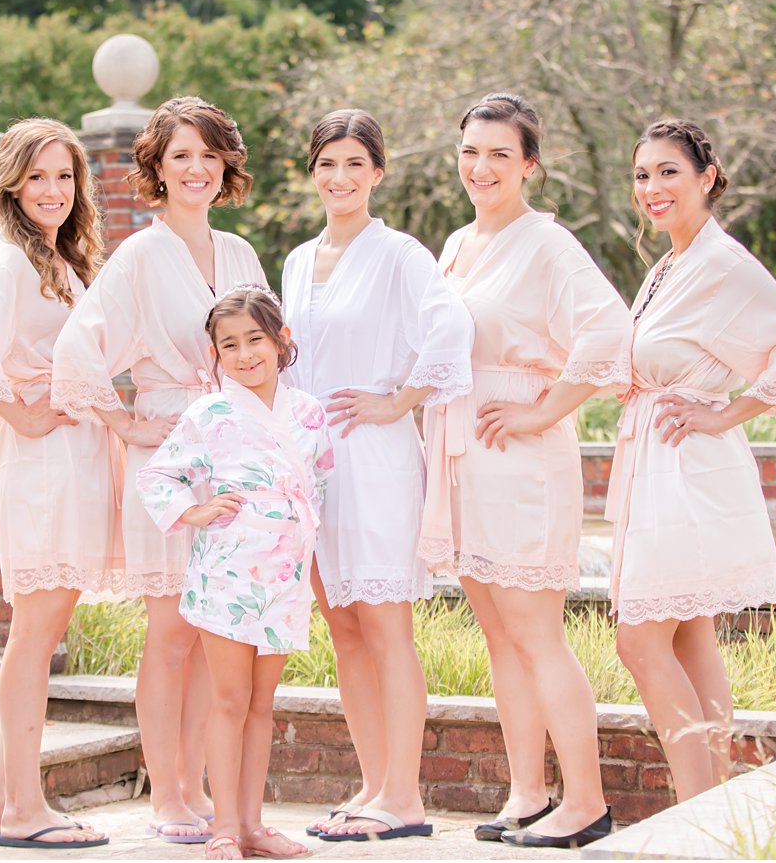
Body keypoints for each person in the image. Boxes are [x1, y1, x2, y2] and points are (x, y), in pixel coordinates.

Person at [51, 96, 269, 843]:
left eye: (210, 154)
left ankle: (202, 781)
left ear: (226, 165)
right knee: (170, 628)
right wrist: (121, 419)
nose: (197, 168)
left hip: (233, 455)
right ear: (157, 167)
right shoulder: (140, 255)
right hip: (171, 453)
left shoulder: (240, 254)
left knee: (215, 628)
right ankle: (167, 791)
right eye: (182, 155)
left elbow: (266, 350)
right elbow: (80, 347)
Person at [419, 93, 630, 849]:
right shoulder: (454, 242)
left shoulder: (548, 244)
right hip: (464, 452)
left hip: (519, 451)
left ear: (529, 165)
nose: (481, 167)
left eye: (500, 154)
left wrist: (544, 411)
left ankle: (586, 800)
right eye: (470, 151)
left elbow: (609, 330)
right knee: (499, 635)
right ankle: (528, 790)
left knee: (538, 634)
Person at [608, 118, 776, 802]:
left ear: (706, 177)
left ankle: (692, 804)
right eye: (643, 173)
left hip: (687, 468)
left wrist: (726, 409)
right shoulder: (670, 262)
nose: (653, 186)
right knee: (690, 638)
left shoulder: (722, 262)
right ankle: (713, 804)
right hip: (658, 462)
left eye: (669, 171)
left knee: (641, 641)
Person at [280, 109, 473, 843]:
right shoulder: (298, 261)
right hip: (316, 463)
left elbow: (451, 327)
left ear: (378, 172)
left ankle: (405, 794)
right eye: (328, 163)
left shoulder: (401, 254)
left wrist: (399, 398)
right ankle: (371, 783)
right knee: (344, 628)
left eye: (355, 163)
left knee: (388, 628)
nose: (340, 177)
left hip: (378, 455)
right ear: (312, 171)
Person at [0, 118, 116, 849]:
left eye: (65, 176)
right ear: (13, 183)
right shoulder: (11, 259)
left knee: (44, 628)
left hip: (75, 456)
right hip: (44, 462)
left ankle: (2, 797)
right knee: (35, 633)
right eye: (38, 175)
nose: (53, 189)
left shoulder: (59, 258)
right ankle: (24, 808)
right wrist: (18, 410)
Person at [138, 287, 332, 862]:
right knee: (228, 697)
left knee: (261, 704)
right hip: (227, 572)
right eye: (230, 345)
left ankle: (253, 825)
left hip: (285, 575)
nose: (246, 354)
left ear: (281, 341)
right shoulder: (211, 412)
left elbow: (317, 480)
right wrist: (193, 511)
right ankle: (223, 826)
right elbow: (158, 476)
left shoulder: (308, 412)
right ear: (216, 355)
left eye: (255, 340)